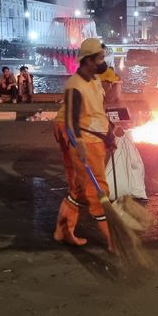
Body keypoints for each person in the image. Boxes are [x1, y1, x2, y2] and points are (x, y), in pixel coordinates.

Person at [53, 38, 116, 251]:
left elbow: (98, 112)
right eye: (100, 58)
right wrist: (78, 145)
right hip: (86, 145)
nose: (103, 61)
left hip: (97, 142)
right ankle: (112, 240)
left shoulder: (95, 80)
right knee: (98, 193)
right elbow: (70, 122)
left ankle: (63, 230)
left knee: (80, 190)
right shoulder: (74, 86)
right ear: (89, 60)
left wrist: (110, 135)